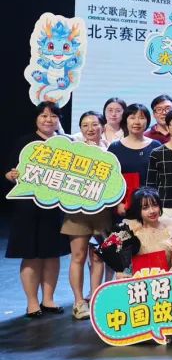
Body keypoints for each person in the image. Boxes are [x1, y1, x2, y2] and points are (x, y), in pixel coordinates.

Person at [4, 102, 70, 318]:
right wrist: (10, 176)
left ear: (59, 120)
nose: (48, 120)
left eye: (53, 116)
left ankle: (48, 299)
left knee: (52, 254)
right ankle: (32, 302)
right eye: (43, 115)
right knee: (31, 254)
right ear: (36, 119)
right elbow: (10, 172)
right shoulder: (25, 142)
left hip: (55, 208)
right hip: (28, 208)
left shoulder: (66, 144)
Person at [63, 110, 113, 319]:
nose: (90, 129)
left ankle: (95, 297)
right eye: (85, 125)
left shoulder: (111, 150)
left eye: (94, 124)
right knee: (78, 256)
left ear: (103, 126)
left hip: (103, 212)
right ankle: (78, 302)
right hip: (77, 211)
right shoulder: (72, 150)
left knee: (99, 257)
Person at [123, 187, 172, 272]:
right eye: (145, 208)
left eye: (155, 205)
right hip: (140, 278)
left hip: (167, 278)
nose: (152, 211)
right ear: (138, 210)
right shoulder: (131, 232)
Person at [108, 103, 162, 189]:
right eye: (132, 118)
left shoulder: (156, 146)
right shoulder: (115, 148)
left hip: (151, 196)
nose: (137, 122)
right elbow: (109, 178)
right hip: (124, 196)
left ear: (147, 121)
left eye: (141, 118)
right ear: (125, 120)